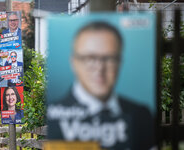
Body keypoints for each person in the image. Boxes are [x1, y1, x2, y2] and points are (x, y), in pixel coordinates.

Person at [47, 22, 154, 150]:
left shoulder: (141, 115)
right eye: (90, 58)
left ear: (120, 62)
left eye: (108, 58)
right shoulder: (54, 114)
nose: (99, 68)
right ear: (74, 62)